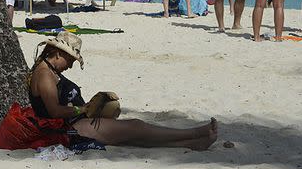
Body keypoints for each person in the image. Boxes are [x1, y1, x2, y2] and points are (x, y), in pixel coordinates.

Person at [29, 31, 218, 149]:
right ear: (59, 53)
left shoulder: (48, 70)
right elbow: (54, 111)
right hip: (69, 130)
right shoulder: (45, 75)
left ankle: (191, 143)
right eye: (70, 60)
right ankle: (193, 134)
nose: (70, 66)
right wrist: (83, 109)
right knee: (135, 127)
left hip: (74, 123)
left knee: (131, 135)